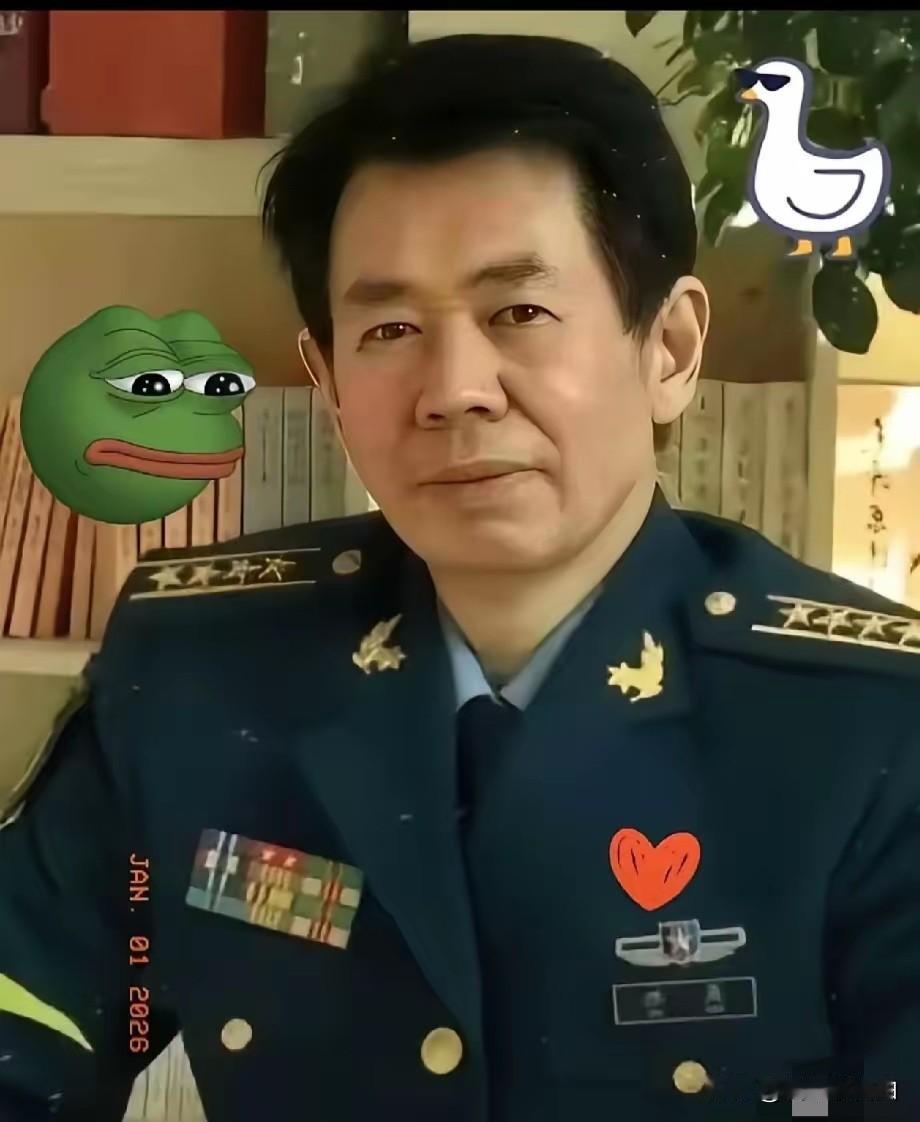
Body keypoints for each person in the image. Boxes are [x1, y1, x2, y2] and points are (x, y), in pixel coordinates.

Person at [1, 32, 918, 1122]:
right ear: (326, 382)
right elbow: (31, 1020)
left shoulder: (864, 727)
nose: (452, 389)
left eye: (517, 313)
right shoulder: (203, 672)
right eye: (389, 328)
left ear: (668, 349)